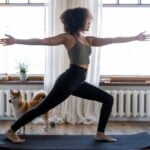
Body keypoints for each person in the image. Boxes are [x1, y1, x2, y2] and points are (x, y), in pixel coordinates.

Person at [0, 7, 149, 143]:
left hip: (78, 82)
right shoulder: (68, 38)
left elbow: (112, 39)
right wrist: (17, 41)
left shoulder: (88, 40)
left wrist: (135, 38)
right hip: (68, 80)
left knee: (107, 99)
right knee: (42, 108)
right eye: (88, 20)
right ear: (78, 20)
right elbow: (42, 41)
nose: (90, 23)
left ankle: (100, 133)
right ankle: (11, 131)